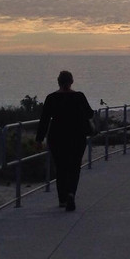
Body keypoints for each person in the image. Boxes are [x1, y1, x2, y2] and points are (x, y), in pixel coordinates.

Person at [36, 70, 94, 211]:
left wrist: (39, 139)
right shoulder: (79, 96)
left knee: (61, 167)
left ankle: (62, 199)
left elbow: (44, 120)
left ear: (58, 82)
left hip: (57, 137)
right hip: (77, 136)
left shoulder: (51, 98)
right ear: (72, 81)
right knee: (74, 167)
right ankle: (71, 193)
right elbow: (90, 113)